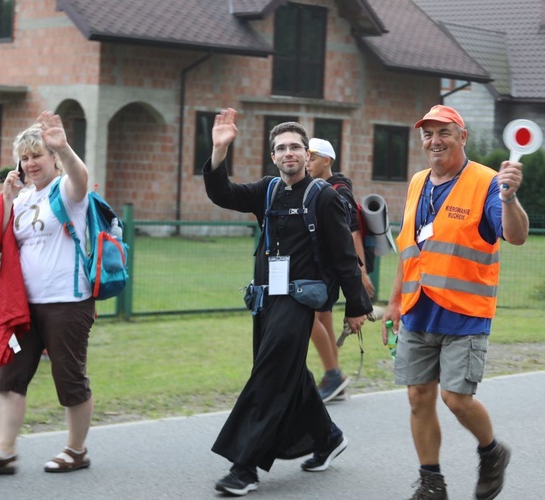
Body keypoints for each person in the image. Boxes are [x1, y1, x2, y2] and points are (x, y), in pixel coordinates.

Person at [204, 108, 371, 496]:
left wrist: (356, 305)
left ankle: (243, 467)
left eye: (296, 146)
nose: (289, 153)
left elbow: (345, 256)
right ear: (273, 156)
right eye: (281, 148)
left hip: (299, 302)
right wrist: (218, 151)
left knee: (268, 376)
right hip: (265, 299)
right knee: (287, 373)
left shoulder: (323, 196)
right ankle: (327, 437)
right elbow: (221, 193)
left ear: (307, 154)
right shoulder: (266, 190)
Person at [383, 105, 528, 500]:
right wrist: (395, 302)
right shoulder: (417, 182)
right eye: (428, 134)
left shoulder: (487, 182)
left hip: (465, 313)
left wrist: (511, 199)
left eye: (444, 132)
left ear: (462, 136)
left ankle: (491, 451)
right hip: (417, 308)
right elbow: (409, 248)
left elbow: (515, 236)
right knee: (418, 398)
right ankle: (432, 482)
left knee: (456, 399)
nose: (435, 141)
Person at [0, 111, 95, 475]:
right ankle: (5, 450)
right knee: (9, 374)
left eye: (37, 155)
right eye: (24, 157)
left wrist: (64, 147)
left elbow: (81, 179)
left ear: (52, 158)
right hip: (22, 305)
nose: (30, 164)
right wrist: (8, 202)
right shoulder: (22, 197)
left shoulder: (66, 191)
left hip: (67, 302)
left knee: (69, 377)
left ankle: (76, 450)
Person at [305, 138, 375, 402]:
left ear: (327, 161)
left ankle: (333, 374)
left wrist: (362, 275)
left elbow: (352, 235)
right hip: (323, 268)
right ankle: (334, 378)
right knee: (322, 319)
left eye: (313, 157)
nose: (307, 161)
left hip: (330, 270)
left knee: (308, 316)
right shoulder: (318, 187)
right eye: (307, 156)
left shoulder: (339, 191)